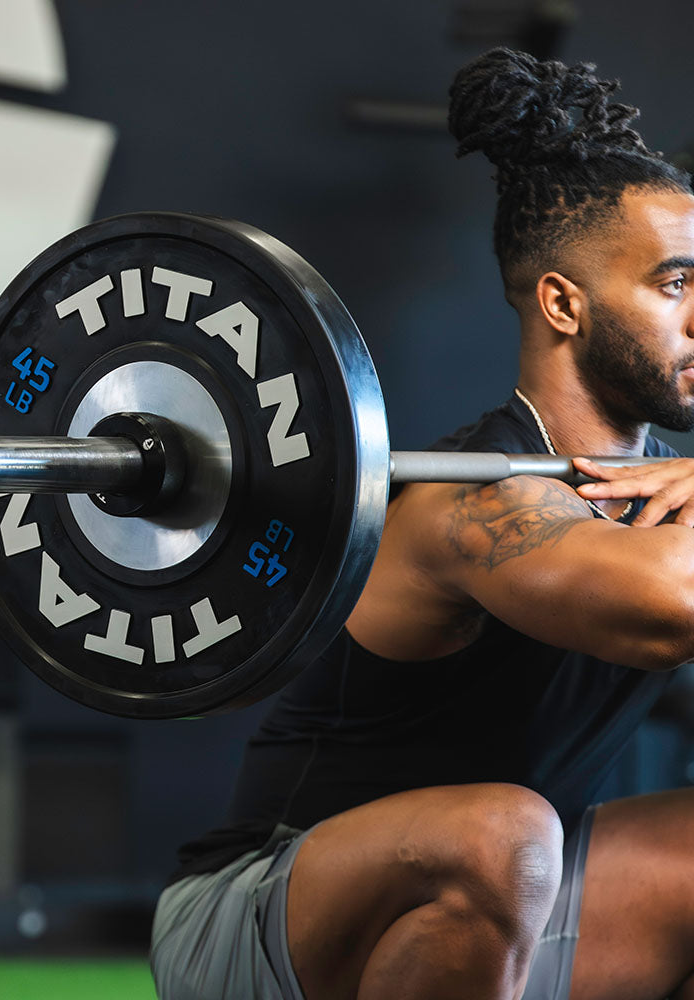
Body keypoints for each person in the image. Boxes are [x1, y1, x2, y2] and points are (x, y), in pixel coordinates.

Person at [149, 47, 694, 1000]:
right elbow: (670, 608)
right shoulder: (476, 500)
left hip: (514, 901)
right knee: (502, 835)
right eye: (676, 286)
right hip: (267, 908)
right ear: (563, 304)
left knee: (528, 843)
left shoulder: (666, 495)